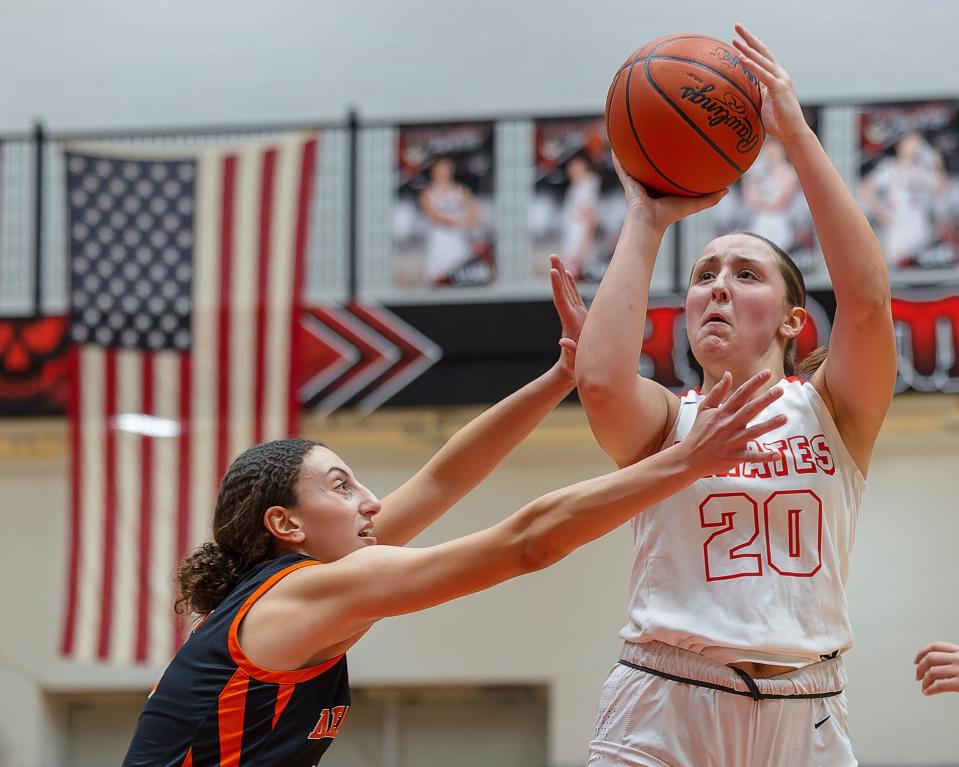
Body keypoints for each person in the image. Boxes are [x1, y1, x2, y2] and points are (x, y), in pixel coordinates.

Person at [121, 256, 786, 767]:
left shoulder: (294, 586)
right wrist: (681, 462)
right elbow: (527, 541)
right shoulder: (311, 588)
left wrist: (562, 377)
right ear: (285, 525)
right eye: (341, 486)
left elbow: (443, 476)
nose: (371, 501)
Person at [576, 25, 897, 767]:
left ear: (792, 319)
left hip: (805, 709)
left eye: (744, 274)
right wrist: (648, 216)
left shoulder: (833, 409)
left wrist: (794, 132)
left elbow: (867, 303)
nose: (716, 284)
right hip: (661, 700)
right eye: (703, 275)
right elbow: (597, 381)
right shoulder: (666, 418)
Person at [860, 129, 949, 269]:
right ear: (900, 146)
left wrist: (937, 163)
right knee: (897, 272)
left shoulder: (923, 170)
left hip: (922, 232)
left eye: (917, 143)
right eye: (910, 142)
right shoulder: (890, 168)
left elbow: (941, 190)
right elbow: (866, 188)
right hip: (898, 233)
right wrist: (881, 214)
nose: (914, 147)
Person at [418, 156, 484, 284]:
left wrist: (469, 223)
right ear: (434, 170)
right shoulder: (427, 193)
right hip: (439, 243)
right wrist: (460, 222)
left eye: (446, 168)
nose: (443, 172)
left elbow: (475, 213)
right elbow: (436, 218)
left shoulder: (461, 190)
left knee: (461, 278)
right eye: (440, 168)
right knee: (438, 278)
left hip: (461, 243)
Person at [560, 153, 601, 278]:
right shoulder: (577, 188)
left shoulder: (586, 188)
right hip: (574, 249)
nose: (569, 170)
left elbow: (591, 222)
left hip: (581, 253)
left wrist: (579, 254)